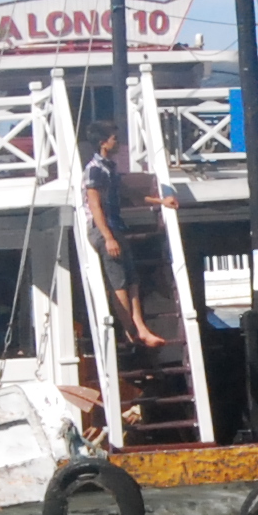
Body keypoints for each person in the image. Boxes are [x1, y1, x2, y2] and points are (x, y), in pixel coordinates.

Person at [83, 125, 173, 351]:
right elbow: (94, 205)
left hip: (115, 227)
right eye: (114, 138)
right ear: (104, 143)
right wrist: (108, 237)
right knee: (119, 283)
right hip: (104, 230)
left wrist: (161, 202)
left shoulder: (109, 169)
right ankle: (132, 332)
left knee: (132, 280)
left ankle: (139, 326)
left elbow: (129, 194)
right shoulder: (94, 170)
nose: (118, 142)